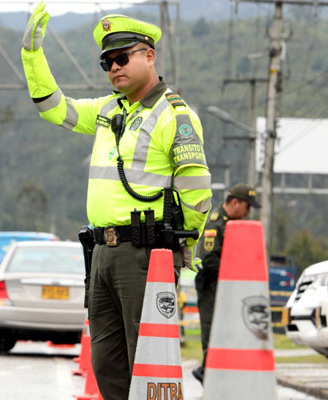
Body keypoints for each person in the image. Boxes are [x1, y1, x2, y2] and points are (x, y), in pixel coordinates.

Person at [21, 5, 212, 398]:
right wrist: (32, 54)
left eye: (123, 57)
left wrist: (184, 245)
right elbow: (54, 109)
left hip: (146, 252)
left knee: (148, 359)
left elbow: (196, 188)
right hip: (103, 253)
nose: (114, 68)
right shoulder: (109, 110)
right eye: (107, 62)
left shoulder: (173, 115)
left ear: (149, 55)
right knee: (107, 363)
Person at [191, 183, 261, 384]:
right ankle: (208, 372)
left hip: (225, 286)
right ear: (235, 202)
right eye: (247, 207)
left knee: (227, 332)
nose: (248, 212)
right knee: (212, 330)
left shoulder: (232, 224)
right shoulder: (216, 223)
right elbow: (209, 259)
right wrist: (234, 274)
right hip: (211, 284)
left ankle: (214, 372)